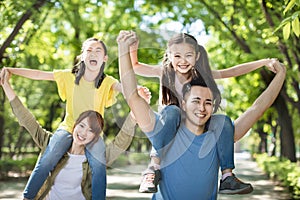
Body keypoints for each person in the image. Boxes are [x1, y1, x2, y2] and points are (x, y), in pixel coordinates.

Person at [117, 30, 286, 199]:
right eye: (177, 56)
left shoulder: (202, 77)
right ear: (169, 55)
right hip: (168, 125)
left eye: (188, 56)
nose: (183, 61)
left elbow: (234, 74)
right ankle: (153, 167)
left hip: (194, 126)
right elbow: (135, 71)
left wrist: (265, 63)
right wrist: (130, 48)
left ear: (197, 56)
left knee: (224, 121)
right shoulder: (164, 72)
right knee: (172, 111)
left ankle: (227, 175)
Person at [2, 37, 125, 199]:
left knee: (99, 167)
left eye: (98, 51)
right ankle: (27, 196)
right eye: (88, 50)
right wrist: (11, 70)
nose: (93, 53)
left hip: (93, 135)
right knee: (48, 159)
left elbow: (126, 89)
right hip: (68, 128)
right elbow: (40, 74)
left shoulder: (108, 82)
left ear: (104, 59)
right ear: (82, 56)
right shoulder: (69, 76)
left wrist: (138, 91)